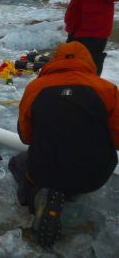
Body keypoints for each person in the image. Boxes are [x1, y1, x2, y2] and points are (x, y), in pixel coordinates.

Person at [9, 41, 119, 248]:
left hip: (44, 170)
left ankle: (35, 197)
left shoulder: (36, 87)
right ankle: (68, 191)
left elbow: (26, 137)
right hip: (93, 176)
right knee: (81, 161)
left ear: (56, 60)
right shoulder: (108, 90)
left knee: (17, 162)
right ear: (88, 61)